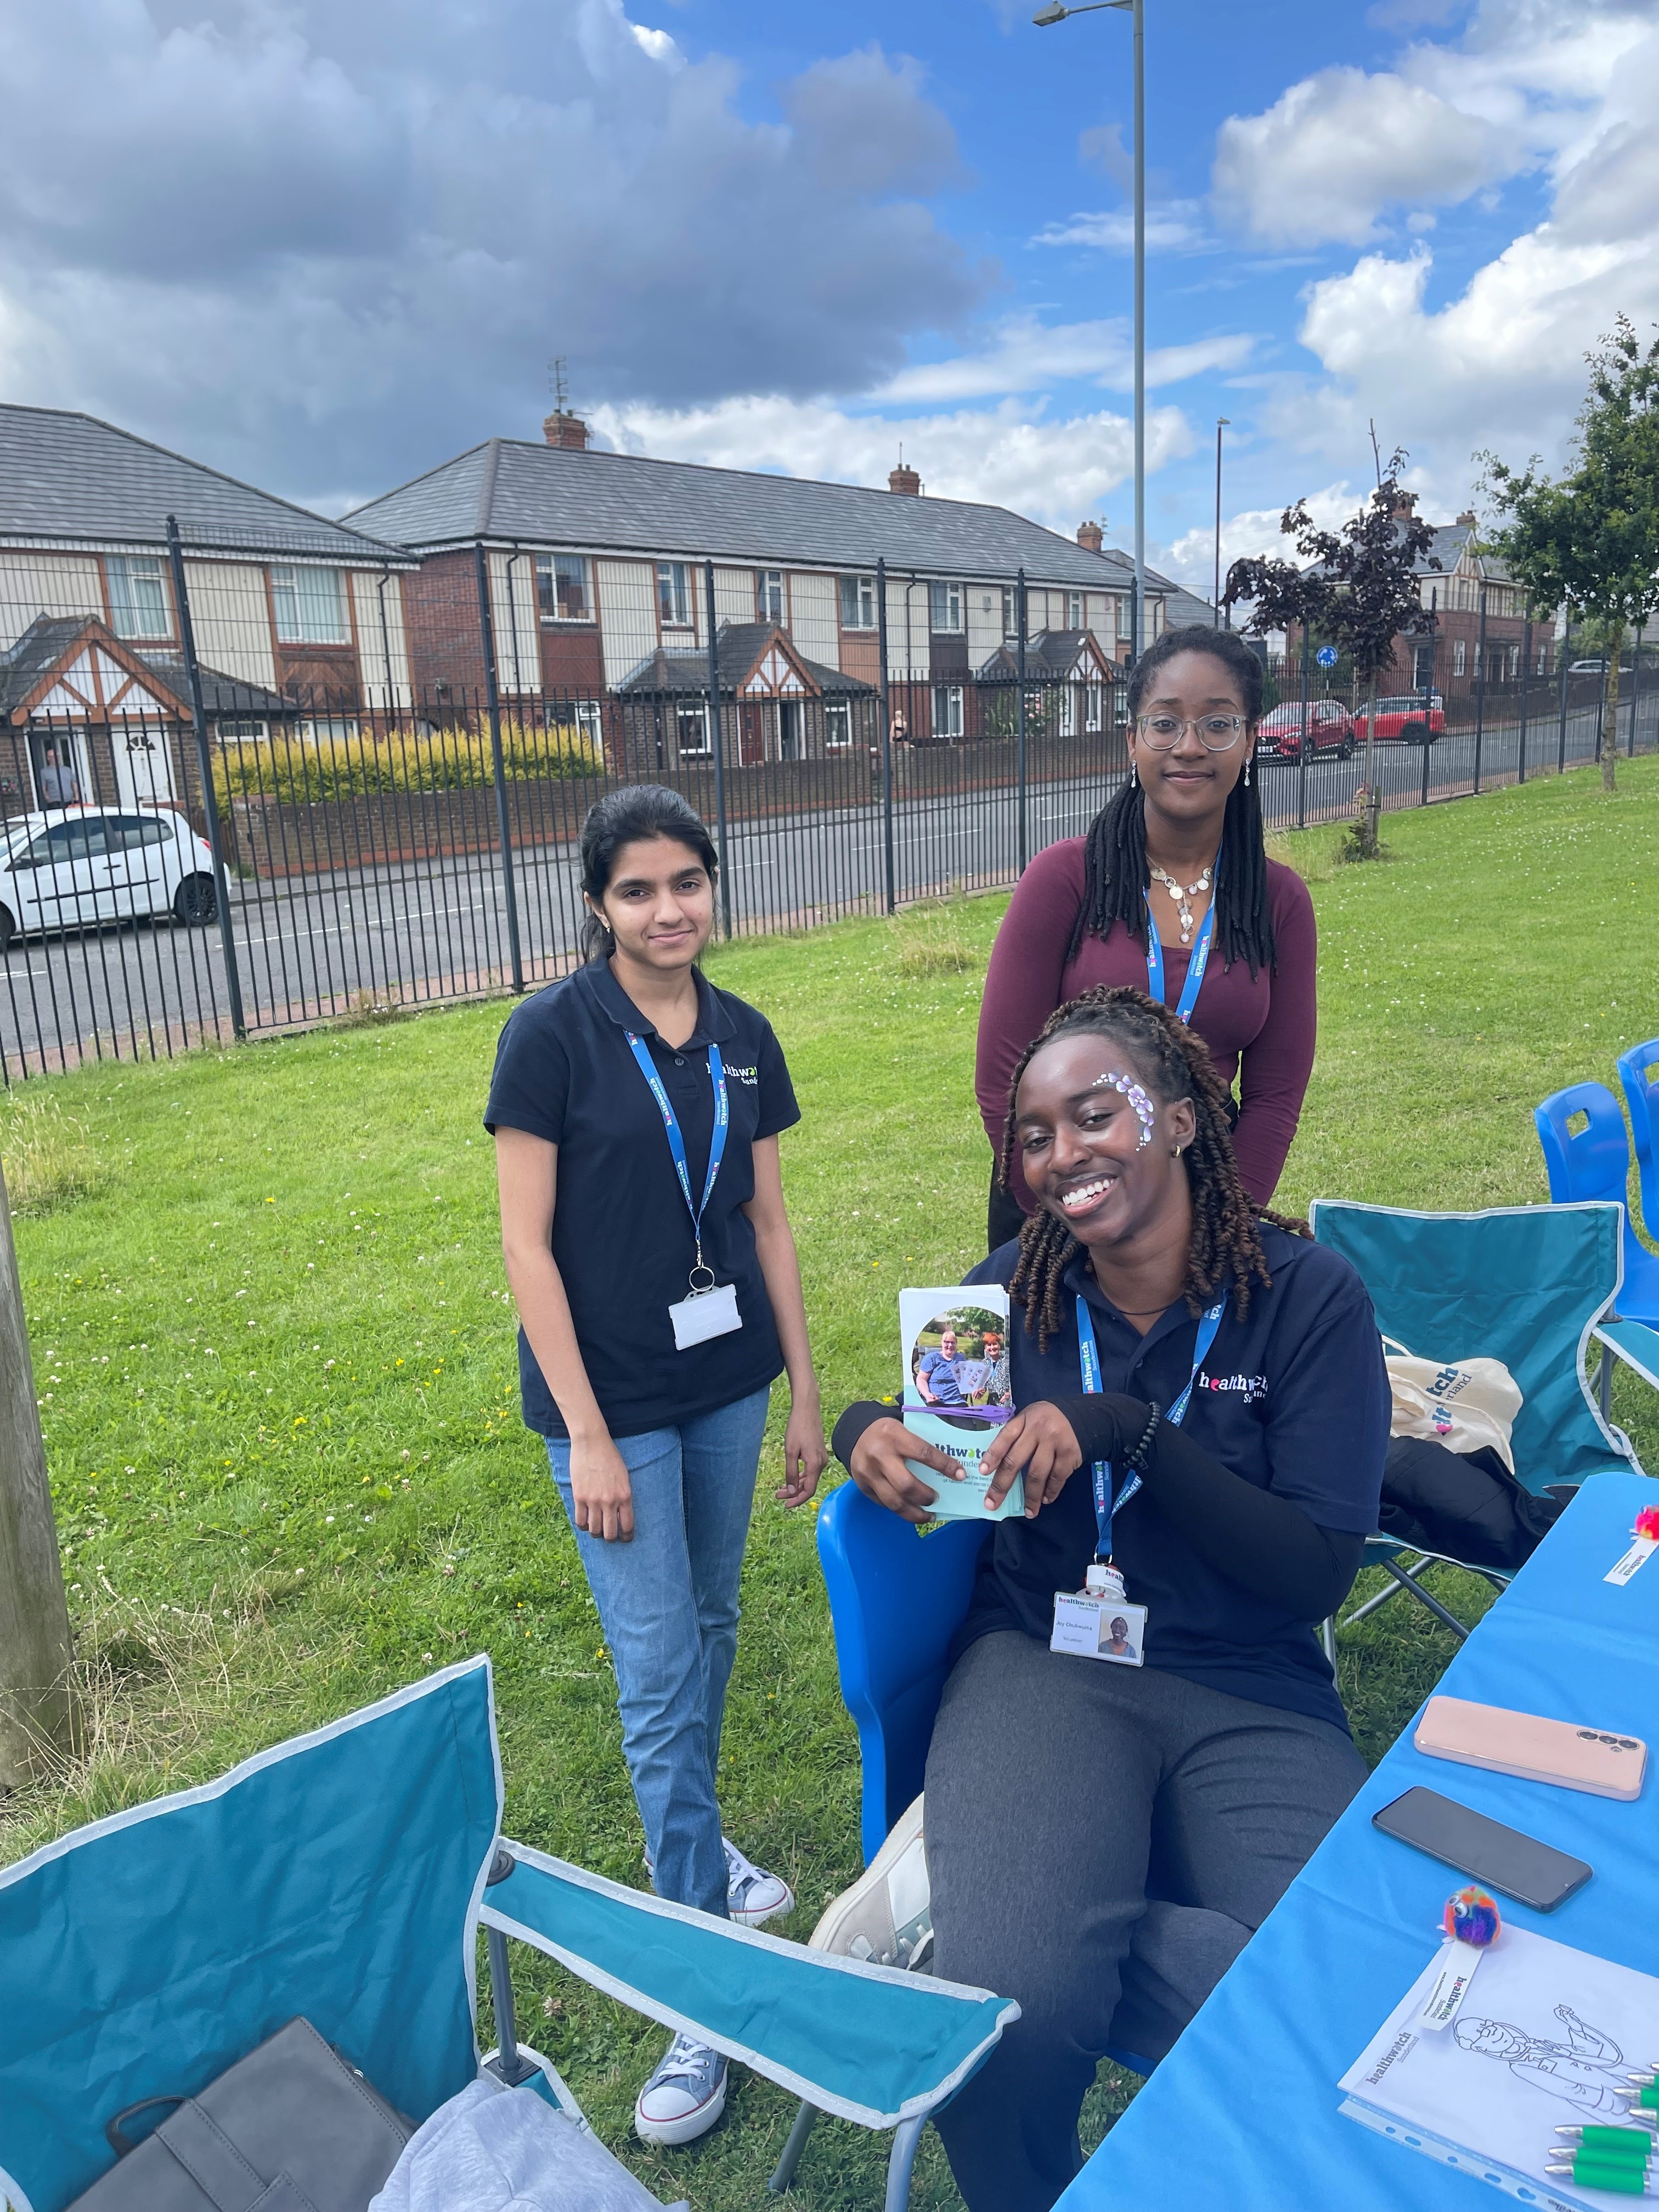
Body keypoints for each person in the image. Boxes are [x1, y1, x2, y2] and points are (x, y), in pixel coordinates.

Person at [833, 985, 1387, 2211]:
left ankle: (997, 1920)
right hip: (1044, 1665)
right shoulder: (1008, 1300)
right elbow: (923, 1450)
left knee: (1340, 1997)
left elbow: (1312, 1574)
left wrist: (1133, 1432)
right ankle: (1017, 1957)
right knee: (1010, 2031)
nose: (1062, 1156)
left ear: (1181, 1118)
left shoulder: (1307, 1301)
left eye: (1096, 1115)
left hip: (1248, 1685)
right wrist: (860, 1426)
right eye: (1035, 1135)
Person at [488, 783, 828, 2148]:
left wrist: (806, 1388)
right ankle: (699, 1977)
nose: (667, 910)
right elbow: (525, 1247)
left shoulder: (743, 1037)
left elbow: (769, 1221)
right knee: (657, 1665)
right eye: (638, 890)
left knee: (715, 1621)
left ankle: (693, 1844)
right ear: (596, 903)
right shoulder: (551, 1038)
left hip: (727, 1380)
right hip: (612, 1404)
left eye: (687, 882)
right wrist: (581, 1432)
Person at [976, 625, 1317, 1248]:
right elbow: (1002, 1076)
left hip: (1207, 1197)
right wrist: (1067, 1211)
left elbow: (1276, 1093)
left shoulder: (1278, 901)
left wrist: (1218, 1222)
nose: (1188, 746)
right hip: (1056, 1201)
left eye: (1218, 724)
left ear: (1248, 740)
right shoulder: (1066, 879)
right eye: (1164, 723)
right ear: (1132, 740)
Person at [917, 1327, 966, 1406]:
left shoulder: (961, 1358)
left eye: (953, 1343)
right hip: (936, 1401)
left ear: (956, 1343)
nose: (950, 1345)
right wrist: (927, 1395)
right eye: (947, 1342)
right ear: (942, 1343)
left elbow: (966, 1379)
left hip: (957, 1401)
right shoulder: (932, 1358)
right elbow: (921, 1379)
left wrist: (976, 1388)